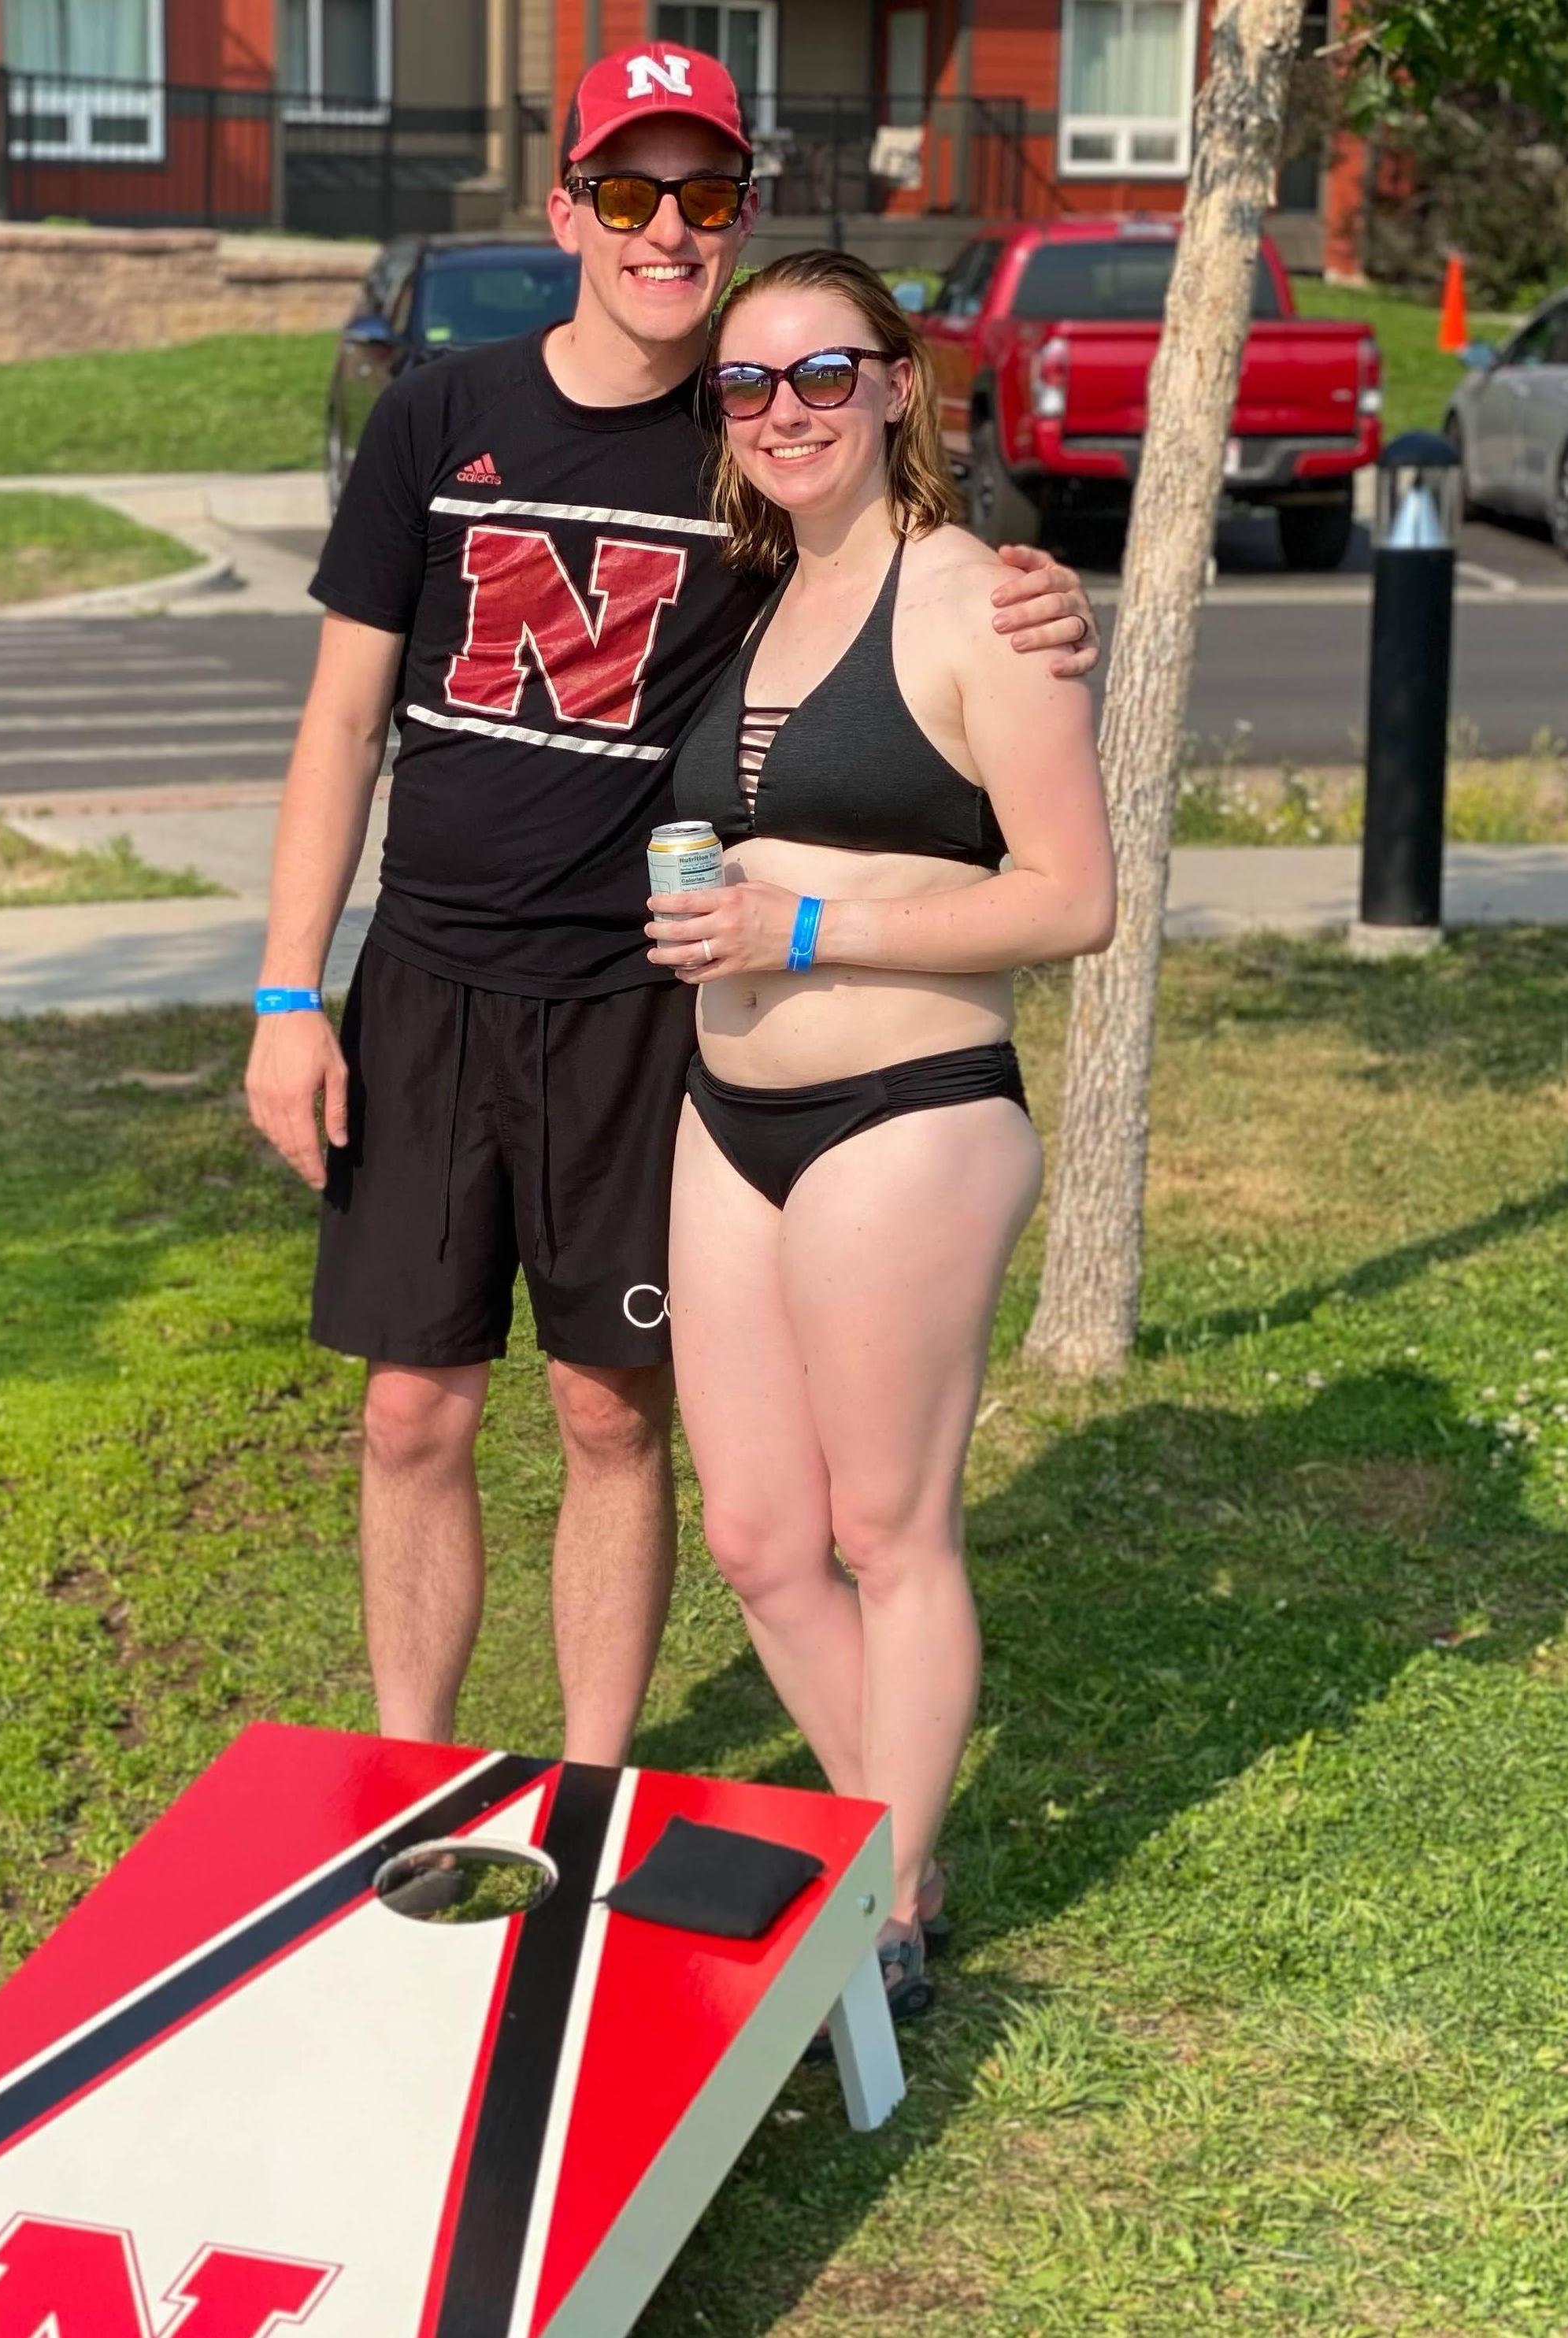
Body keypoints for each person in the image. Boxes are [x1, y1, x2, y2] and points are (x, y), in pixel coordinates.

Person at [245, 42, 1101, 1766]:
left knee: (608, 1412)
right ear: (567, 204)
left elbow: (913, 571)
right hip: (427, 982)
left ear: (740, 218)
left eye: (703, 196)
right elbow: (342, 722)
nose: (664, 229)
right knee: (411, 1408)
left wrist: (1044, 590)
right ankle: (404, 1768)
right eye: (628, 191)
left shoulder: (759, 459)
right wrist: (285, 996)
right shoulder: (438, 416)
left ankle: (587, 1779)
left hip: (643, 1009)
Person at [647, 248, 1115, 2010]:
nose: (783, 414)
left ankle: (893, 1908)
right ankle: (883, 1841)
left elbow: (1073, 901)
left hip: (906, 1115)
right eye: (747, 389)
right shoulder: (752, 597)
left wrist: (810, 932)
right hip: (731, 1116)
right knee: (760, 1540)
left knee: (884, 1531)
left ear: (899, 384)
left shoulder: (988, 603)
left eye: (822, 376)